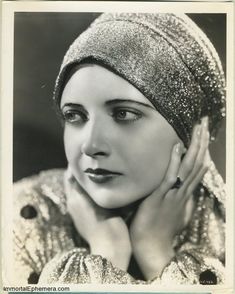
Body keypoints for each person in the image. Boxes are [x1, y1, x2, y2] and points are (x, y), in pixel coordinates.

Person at [13, 13, 225, 285]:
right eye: (75, 116)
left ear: (194, 131)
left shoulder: (224, 230)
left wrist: (155, 251)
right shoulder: (20, 221)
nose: (90, 146)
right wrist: (107, 252)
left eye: (123, 114)